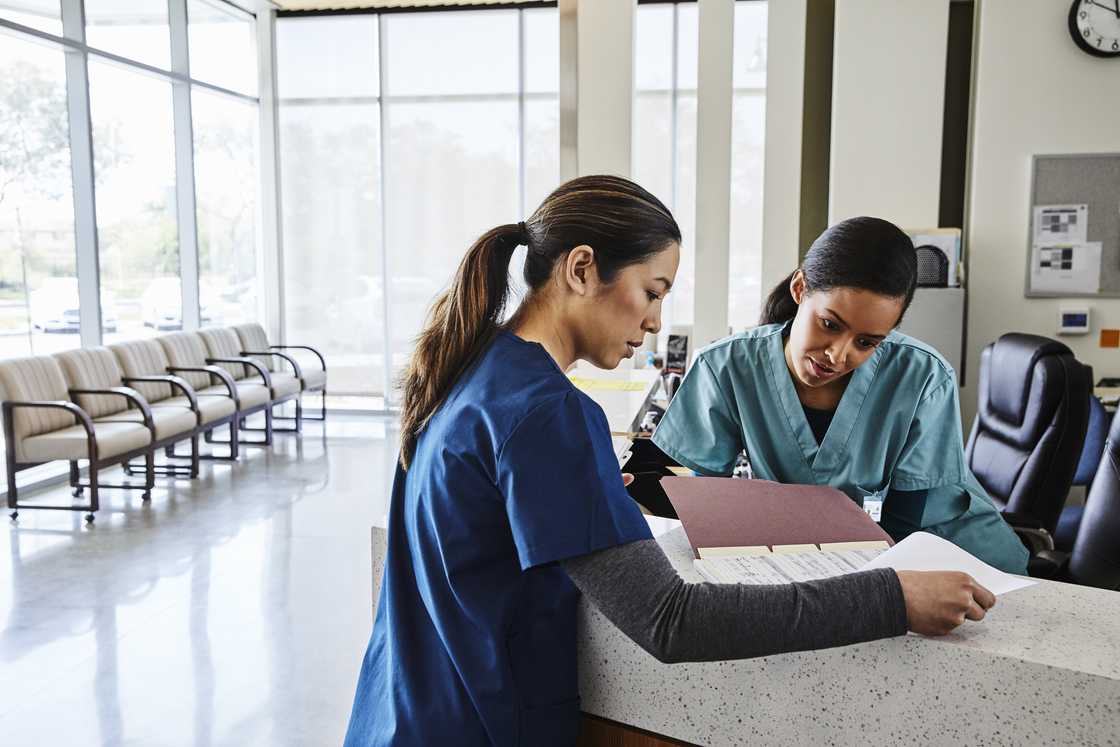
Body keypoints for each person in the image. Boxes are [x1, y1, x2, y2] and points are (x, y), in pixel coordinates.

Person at [343, 181, 997, 747]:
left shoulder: (466, 363)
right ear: (579, 268)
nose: (657, 321)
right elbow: (668, 619)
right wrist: (892, 597)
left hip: (397, 716)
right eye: (651, 291)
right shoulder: (550, 412)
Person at [650, 216, 1029, 574]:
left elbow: (903, 525)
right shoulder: (727, 366)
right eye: (829, 324)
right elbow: (711, 508)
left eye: (866, 342)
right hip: (836, 560)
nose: (838, 355)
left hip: (954, 556)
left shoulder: (923, 377)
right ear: (800, 290)